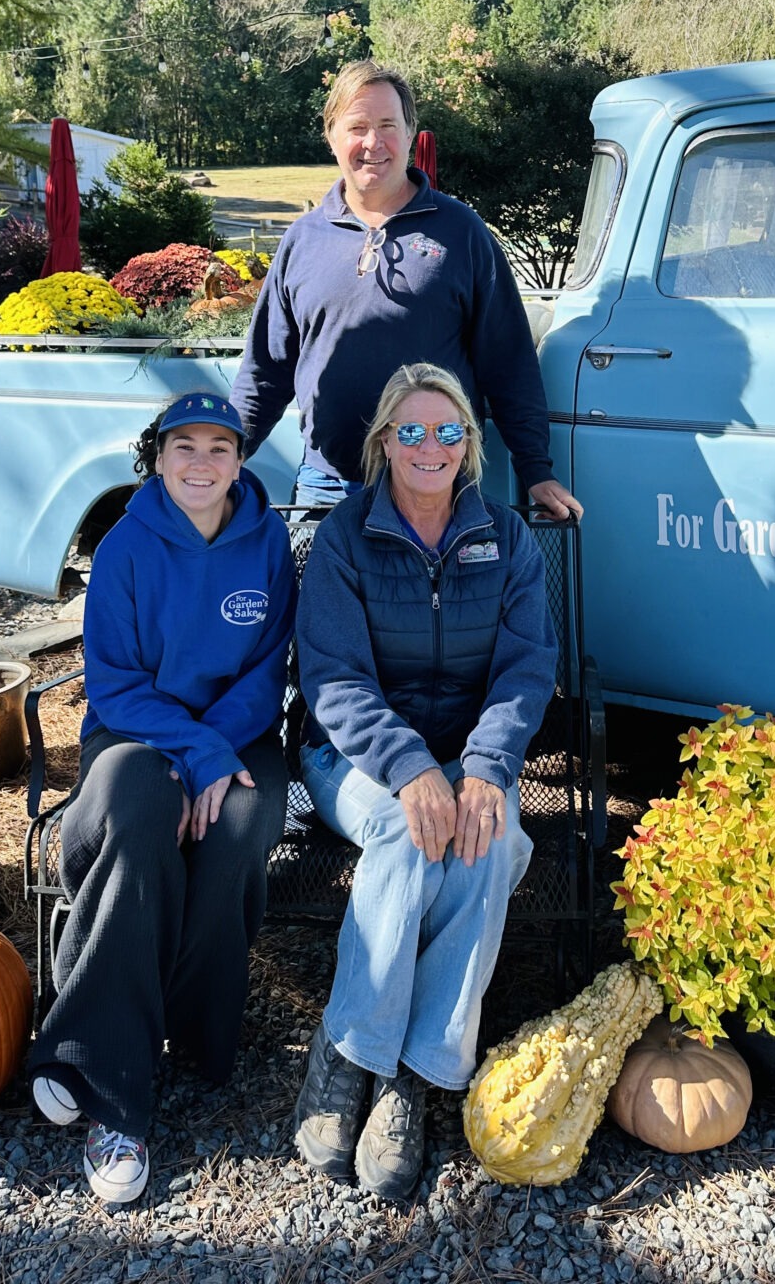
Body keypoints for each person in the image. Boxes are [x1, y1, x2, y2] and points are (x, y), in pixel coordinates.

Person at [290, 362, 558, 1199]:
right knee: (411, 834)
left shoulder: (506, 540)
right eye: (410, 430)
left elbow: (526, 672)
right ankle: (347, 1057)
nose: (429, 445)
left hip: (469, 760)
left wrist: (482, 770)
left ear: (469, 447)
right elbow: (332, 679)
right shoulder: (344, 542)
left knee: (483, 843)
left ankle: (411, 1075)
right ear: (382, 445)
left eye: (447, 431)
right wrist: (410, 769)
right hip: (355, 757)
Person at [26, 392, 295, 1205]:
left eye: (221, 447)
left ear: (240, 460)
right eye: (186, 447)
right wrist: (192, 755)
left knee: (238, 832)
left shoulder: (267, 538)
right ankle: (108, 1081)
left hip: (241, 736)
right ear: (158, 456)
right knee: (140, 821)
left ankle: (200, 1033)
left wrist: (218, 754)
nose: (203, 463)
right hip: (137, 737)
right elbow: (113, 684)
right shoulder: (124, 548)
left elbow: (267, 670)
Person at [229, 59, 583, 521]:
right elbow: (264, 374)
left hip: (435, 487)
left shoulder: (461, 232)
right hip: (327, 490)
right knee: (319, 597)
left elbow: (509, 363)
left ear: (411, 134)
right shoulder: (303, 240)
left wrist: (536, 469)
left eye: (387, 126)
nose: (372, 143)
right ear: (331, 135)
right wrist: (223, 454)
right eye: (357, 126)